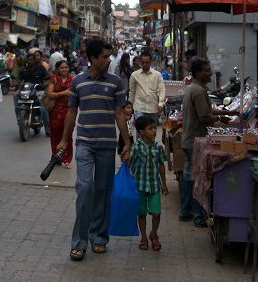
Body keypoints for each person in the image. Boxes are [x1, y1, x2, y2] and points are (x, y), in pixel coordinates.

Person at [57, 40, 130, 261]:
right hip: (85, 143)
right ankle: (79, 241)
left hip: (107, 144)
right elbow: (71, 112)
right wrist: (64, 140)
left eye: (110, 56)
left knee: (103, 191)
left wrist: (126, 142)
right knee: (85, 187)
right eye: (105, 57)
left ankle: (99, 236)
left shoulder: (116, 82)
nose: (109, 60)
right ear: (93, 58)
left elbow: (119, 113)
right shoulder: (78, 82)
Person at [180, 57, 234, 228]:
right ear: (197, 73)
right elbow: (204, 116)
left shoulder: (193, 88)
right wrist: (221, 118)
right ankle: (198, 216)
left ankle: (185, 211)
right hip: (195, 140)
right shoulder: (198, 91)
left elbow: (205, 110)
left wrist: (230, 111)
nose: (210, 73)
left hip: (189, 139)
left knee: (190, 177)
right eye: (206, 70)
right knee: (197, 178)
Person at [129, 115, 169, 251]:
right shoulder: (136, 147)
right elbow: (130, 164)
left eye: (154, 128)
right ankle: (144, 237)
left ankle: (154, 233)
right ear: (141, 132)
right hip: (139, 186)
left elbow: (161, 165)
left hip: (154, 186)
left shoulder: (158, 147)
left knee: (156, 213)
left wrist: (164, 184)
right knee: (141, 214)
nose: (154, 131)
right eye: (150, 128)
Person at [46, 60, 74, 169]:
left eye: (66, 67)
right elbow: (49, 94)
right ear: (58, 69)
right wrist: (64, 93)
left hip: (69, 111)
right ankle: (56, 157)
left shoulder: (73, 79)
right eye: (62, 68)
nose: (64, 69)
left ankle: (67, 159)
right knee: (55, 136)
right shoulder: (54, 79)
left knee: (67, 136)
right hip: (55, 112)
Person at [16, 53, 51, 136]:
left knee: (43, 108)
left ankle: (48, 128)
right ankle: (19, 118)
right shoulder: (24, 70)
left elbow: (47, 78)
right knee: (16, 95)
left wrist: (45, 84)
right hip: (26, 91)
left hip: (38, 90)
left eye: (31, 59)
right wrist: (16, 83)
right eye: (28, 60)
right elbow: (19, 80)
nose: (29, 61)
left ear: (35, 60)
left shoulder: (41, 68)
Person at [128, 52, 166, 125]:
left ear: (150, 62)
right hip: (139, 108)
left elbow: (162, 90)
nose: (145, 64)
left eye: (147, 62)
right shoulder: (134, 75)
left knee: (151, 133)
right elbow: (132, 92)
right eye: (143, 62)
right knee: (140, 132)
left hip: (153, 108)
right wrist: (130, 106)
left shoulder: (157, 75)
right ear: (140, 62)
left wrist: (161, 103)